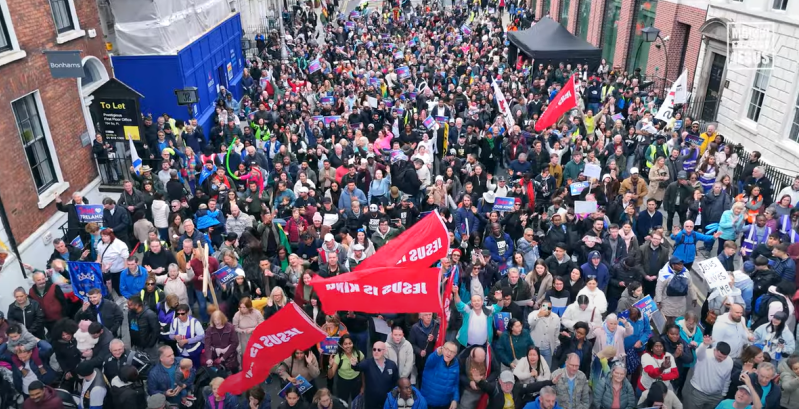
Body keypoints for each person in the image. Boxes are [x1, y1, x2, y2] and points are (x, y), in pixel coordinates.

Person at [682, 336, 733, 409]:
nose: (722, 359)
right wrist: (704, 345)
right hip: (698, 393)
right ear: (715, 350)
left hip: (715, 397)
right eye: (719, 356)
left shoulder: (729, 361)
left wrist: (723, 394)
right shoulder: (705, 354)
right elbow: (698, 353)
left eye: (724, 357)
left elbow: (727, 379)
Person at [354, 342, 400, 409]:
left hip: (387, 401)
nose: (376, 352)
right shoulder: (367, 363)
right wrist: (354, 364)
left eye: (379, 350)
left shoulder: (391, 365)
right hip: (371, 403)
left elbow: (395, 381)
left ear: (384, 351)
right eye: (374, 349)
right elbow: (358, 367)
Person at [169, 303, 205, 368]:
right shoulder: (174, 321)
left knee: (195, 367)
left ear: (187, 313)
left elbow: (201, 335)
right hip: (181, 351)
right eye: (178, 314)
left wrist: (187, 341)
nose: (180, 316)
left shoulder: (195, 322)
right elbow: (170, 335)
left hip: (194, 351)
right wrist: (174, 337)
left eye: (182, 314)